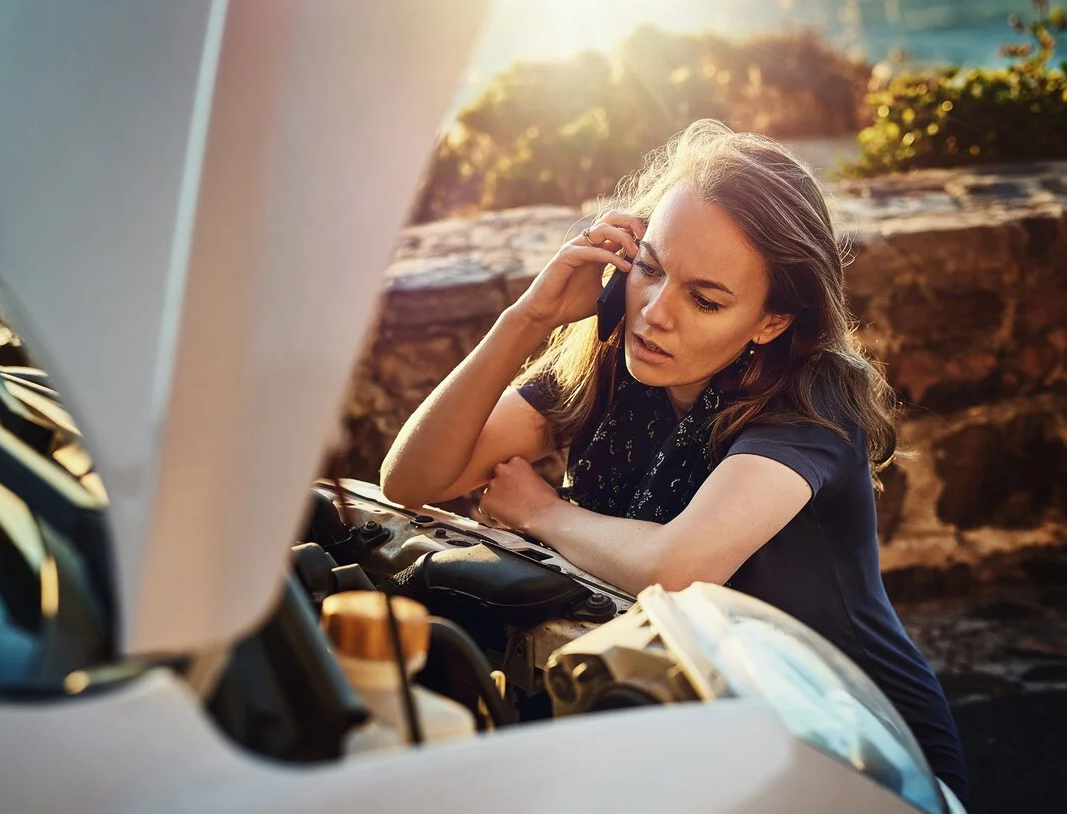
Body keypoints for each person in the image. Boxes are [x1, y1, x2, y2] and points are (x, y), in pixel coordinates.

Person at [380, 119, 968, 803]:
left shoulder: (811, 403)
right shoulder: (609, 364)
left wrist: (542, 511)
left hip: (857, 749)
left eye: (705, 299)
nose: (656, 314)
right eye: (651, 269)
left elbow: (679, 570)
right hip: (702, 727)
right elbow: (413, 478)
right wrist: (528, 317)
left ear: (771, 321)